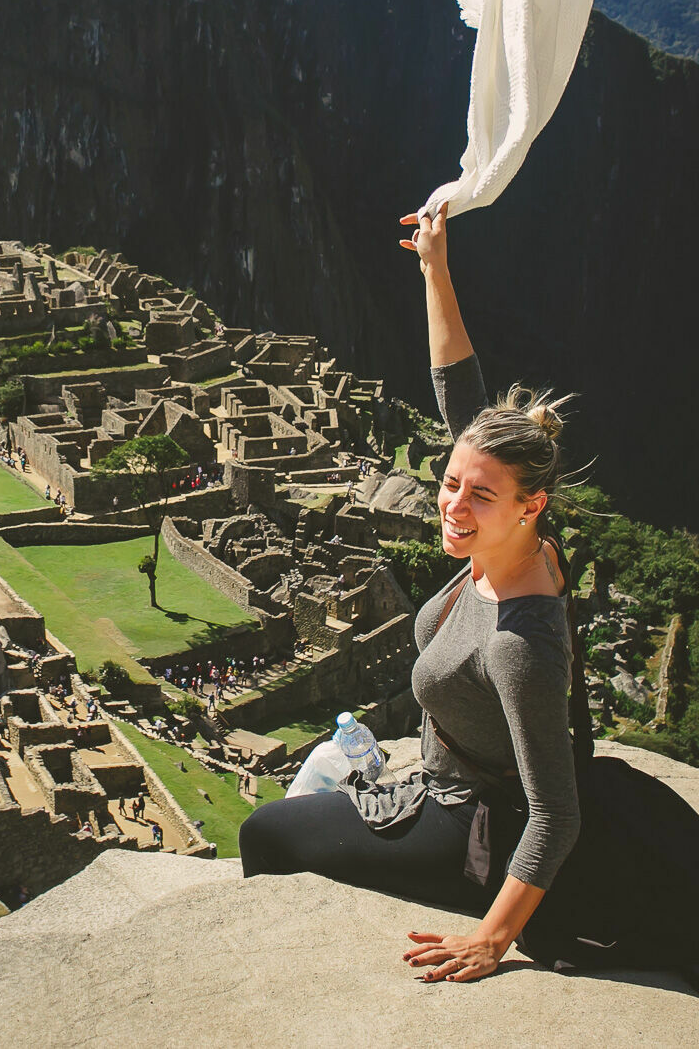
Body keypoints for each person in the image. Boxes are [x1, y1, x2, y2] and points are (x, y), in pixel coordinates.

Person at [240, 204, 580, 985]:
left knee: (266, 833)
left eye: (478, 497)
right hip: (430, 779)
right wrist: (434, 266)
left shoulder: (519, 642)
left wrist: (491, 942)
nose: (453, 505)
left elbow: (556, 815)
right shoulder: (519, 534)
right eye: (449, 484)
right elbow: (460, 387)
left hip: (469, 826)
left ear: (530, 504)